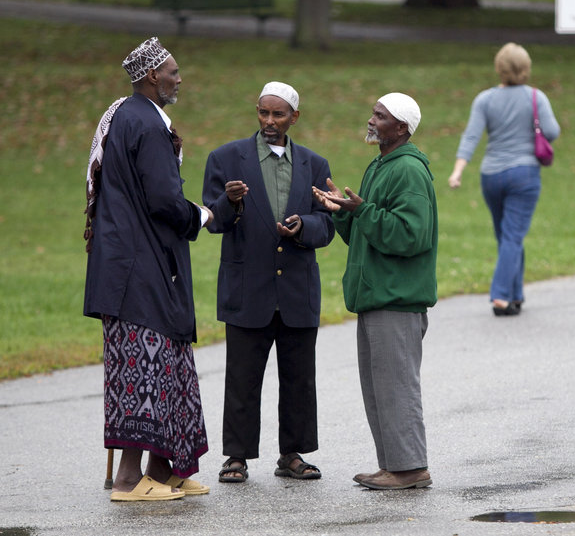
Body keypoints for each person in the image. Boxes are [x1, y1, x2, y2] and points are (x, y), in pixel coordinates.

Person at [83, 37, 213, 501]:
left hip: (142, 262)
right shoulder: (143, 123)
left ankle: (166, 471)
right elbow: (163, 200)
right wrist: (199, 214)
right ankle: (127, 481)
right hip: (134, 268)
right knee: (143, 371)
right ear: (152, 76)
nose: (179, 79)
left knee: (171, 365)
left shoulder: (128, 116)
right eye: (173, 72)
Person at [203, 81, 334, 483]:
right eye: (264, 113)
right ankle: (237, 457)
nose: (270, 122)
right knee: (242, 376)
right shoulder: (226, 158)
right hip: (248, 288)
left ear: (294, 117)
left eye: (279, 115)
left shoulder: (315, 163)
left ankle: (292, 455)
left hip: (296, 289)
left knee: (299, 377)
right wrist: (232, 201)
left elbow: (328, 223)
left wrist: (303, 227)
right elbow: (212, 220)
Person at [312, 92, 437, 490]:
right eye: (373, 113)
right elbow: (370, 231)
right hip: (375, 295)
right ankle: (393, 465)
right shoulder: (380, 165)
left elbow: (411, 235)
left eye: (380, 116)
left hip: (396, 299)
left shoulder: (409, 171)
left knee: (396, 385)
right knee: (378, 387)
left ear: (401, 128)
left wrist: (362, 210)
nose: (372, 120)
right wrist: (344, 212)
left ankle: (411, 468)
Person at [448, 42, 560, 317]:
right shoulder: (536, 97)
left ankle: (515, 294)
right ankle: (500, 295)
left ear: (499, 68)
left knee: (507, 235)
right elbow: (553, 131)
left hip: (491, 175)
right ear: (526, 68)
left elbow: (471, 136)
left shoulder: (484, 99)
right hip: (524, 174)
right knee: (513, 235)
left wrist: (458, 169)